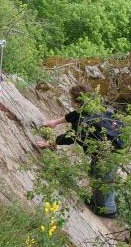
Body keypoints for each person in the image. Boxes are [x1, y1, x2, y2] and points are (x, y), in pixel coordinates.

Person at [38, 83, 123, 218]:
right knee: (94, 173)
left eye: (72, 99)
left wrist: (50, 144)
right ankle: (103, 200)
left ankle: (108, 211)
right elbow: (73, 115)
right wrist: (55, 122)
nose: (70, 101)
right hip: (108, 150)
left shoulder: (84, 121)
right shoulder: (92, 108)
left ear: (77, 102)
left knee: (102, 178)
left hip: (107, 155)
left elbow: (69, 137)